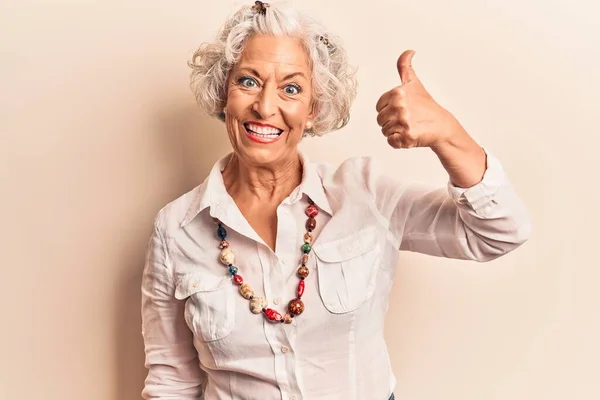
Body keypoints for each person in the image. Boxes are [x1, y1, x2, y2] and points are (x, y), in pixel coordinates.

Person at [140, 2, 531, 399]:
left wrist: (448, 135)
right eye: (248, 81)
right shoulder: (176, 230)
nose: (265, 106)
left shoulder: (365, 195)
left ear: (314, 109)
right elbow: (172, 382)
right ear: (224, 94)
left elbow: (499, 232)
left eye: (291, 88)